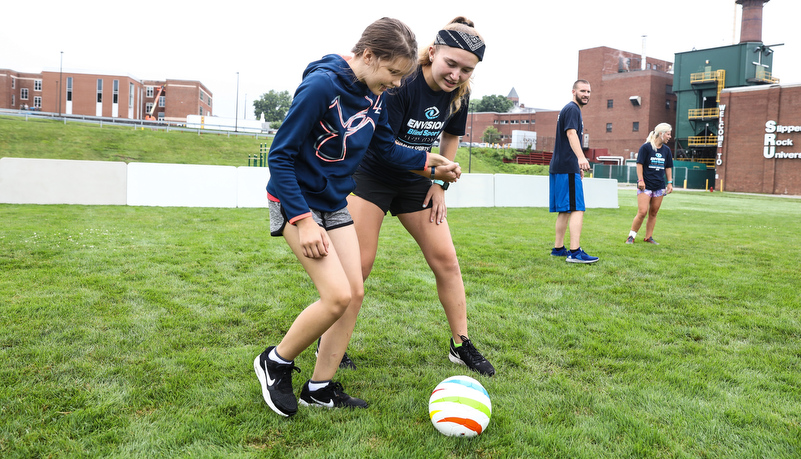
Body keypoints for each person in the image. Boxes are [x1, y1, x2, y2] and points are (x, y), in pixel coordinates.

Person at [254, 17, 458, 418]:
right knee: (336, 297)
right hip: (297, 201)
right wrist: (302, 220)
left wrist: (427, 162)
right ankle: (275, 362)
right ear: (368, 55)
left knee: (355, 293)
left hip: (333, 203)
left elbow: (384, 147)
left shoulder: (374, 92)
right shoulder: (321, 86)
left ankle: (319, 387)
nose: (398, 83)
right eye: (394, 73)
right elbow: (279, 156)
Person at [344, 17, 495, 376]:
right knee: (359, 266)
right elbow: (384, 150)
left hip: (419, 178)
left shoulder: (461, 93)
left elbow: (451, 138)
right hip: (373, 174)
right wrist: (434, 170)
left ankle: (461, 344)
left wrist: (439, 185)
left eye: (466, 70)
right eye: (451, 64)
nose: (457, 75)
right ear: (432, 52)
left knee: (446, 259)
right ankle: (333, 341)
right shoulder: (402, 82)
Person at [549, 80, 599, 263]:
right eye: (583, 91)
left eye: (589, 91)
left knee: (565, 210)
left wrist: (577, 165)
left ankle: (558, 248)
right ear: (574, 91)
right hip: (566, 166)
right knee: (578, 208)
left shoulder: (570, 109)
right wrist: (580, 158)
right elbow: (571, 134)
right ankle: (575, 252)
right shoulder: (572, 109)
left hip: (562, 166)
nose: (586, 94)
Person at [626, 123, 674, 244]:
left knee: (653, 212)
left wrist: (669, 183)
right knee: (642, 212)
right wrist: (640, 180)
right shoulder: (646, 147)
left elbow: (668, 167)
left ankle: (649, 237)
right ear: (661, 134)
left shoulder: (667, 150)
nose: (670, 137)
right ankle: (631, 236)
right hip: (645, 185)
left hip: (659, 186)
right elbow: (639, 164)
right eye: (668, 134)